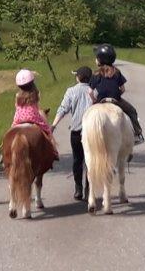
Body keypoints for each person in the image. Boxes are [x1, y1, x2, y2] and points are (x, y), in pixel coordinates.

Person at [51, 65, 93, 200]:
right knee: (90, 161)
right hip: (92, 132)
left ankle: (78, 188)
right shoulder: (94, 91)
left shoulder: (71, 91)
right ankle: (88, 189)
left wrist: (54, 125)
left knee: (77, 160)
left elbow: (63, 109)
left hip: (76, 131)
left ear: (78, 77)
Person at [91, 43, 145, 144]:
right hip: (116, 101)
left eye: (96, 58)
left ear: (100, 59)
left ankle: (82, 132)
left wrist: (94, 99)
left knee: (86, 114)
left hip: (100, 101)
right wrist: (116, 95)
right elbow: (123, 89)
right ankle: (138, 134)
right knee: (132, 111)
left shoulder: (96, 73)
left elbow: (90, 91)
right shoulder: (117, 72)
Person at [12, 69, 59, 158]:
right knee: (48, 131)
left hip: (18, 118)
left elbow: (16, 107)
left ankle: (3, 150)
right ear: (32, 82)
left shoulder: (17, 96)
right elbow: (37, 107)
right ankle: (54, 151)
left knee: (10, 132)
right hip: (33, 117)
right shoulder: (35, 93)